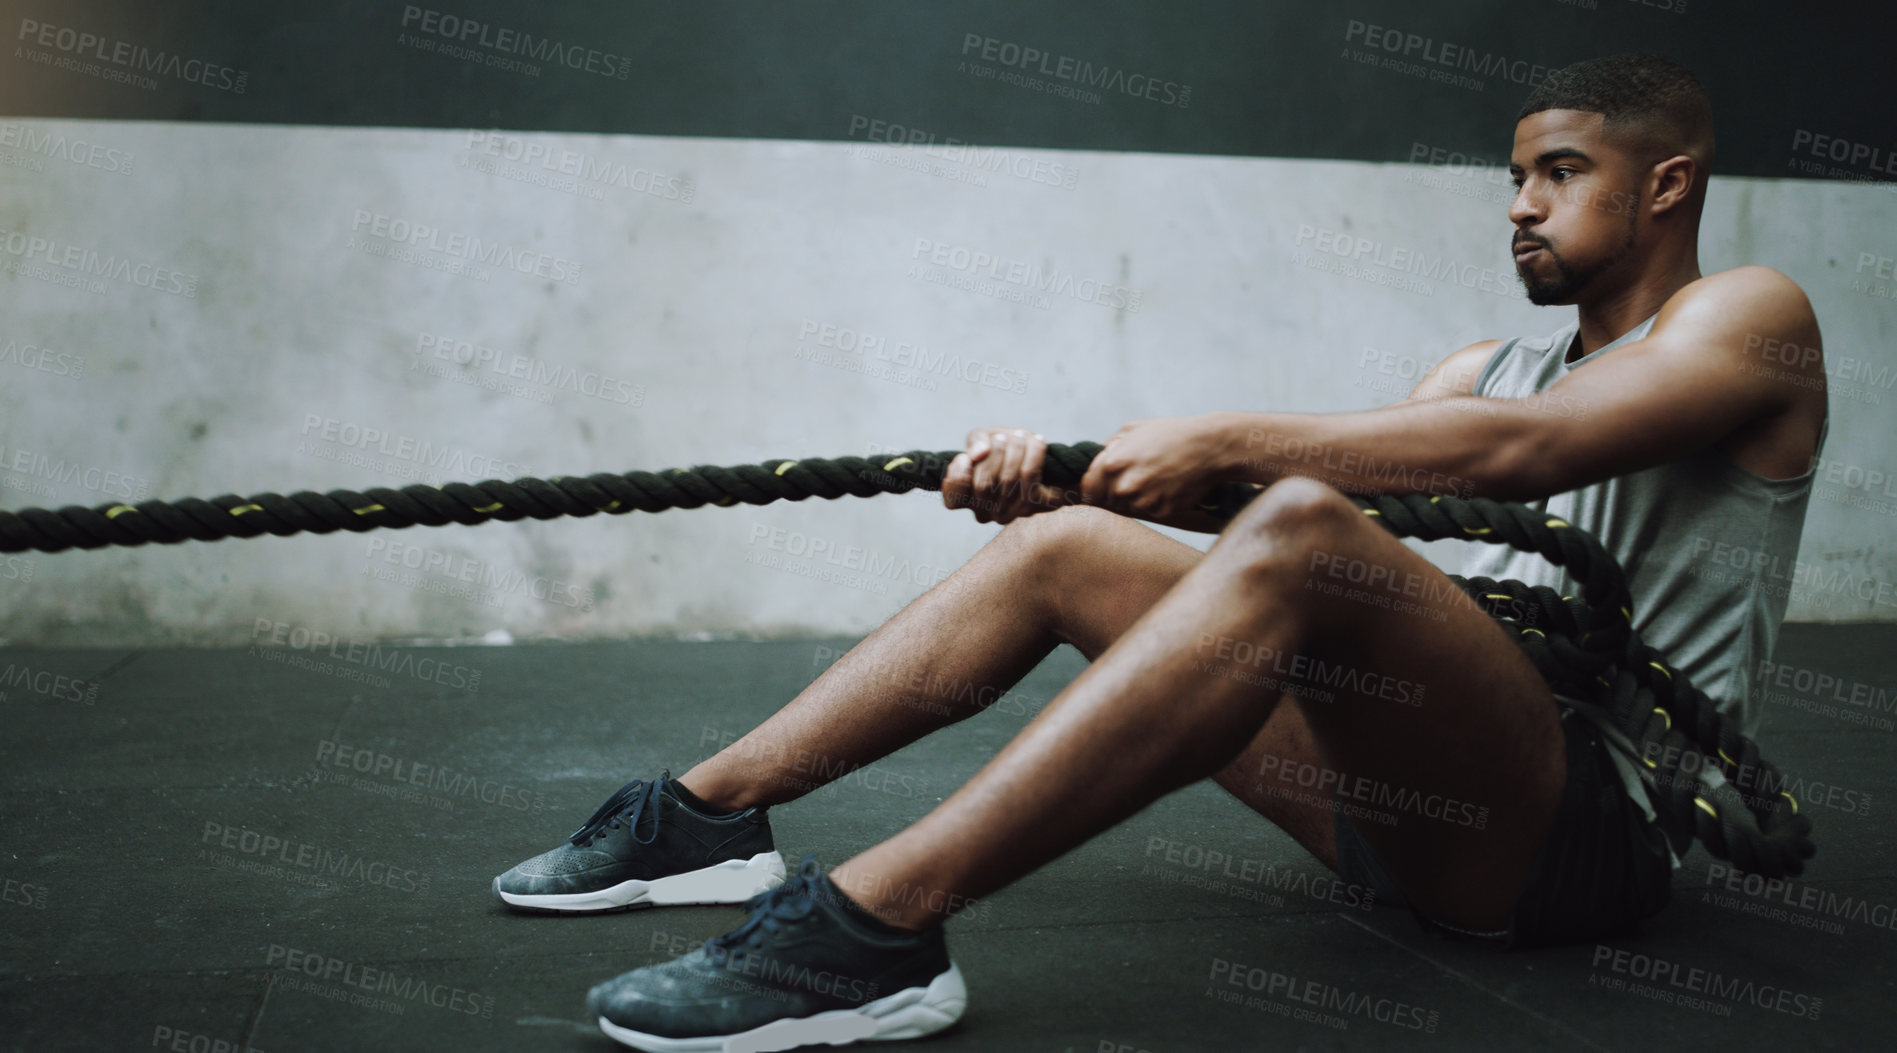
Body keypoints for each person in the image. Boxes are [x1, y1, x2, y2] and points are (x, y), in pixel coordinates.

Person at [493, 51, 1830, 1050]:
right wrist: (1076, 477)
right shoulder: (1483, 368)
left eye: (1560, 173)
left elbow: (1516, 459)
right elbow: (1295, 541)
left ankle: (875, 930)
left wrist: (1228, 437)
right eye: (1514, 177)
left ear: (1668, 182)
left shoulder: (1748, 322)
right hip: (1404, 802)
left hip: (1578, 838)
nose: (1518, 208)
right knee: (1076, 543)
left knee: (1309, 524)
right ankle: (704, 819)